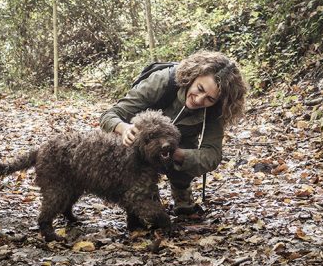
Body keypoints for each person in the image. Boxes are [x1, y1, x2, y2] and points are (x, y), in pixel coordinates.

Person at [100, 50, 247, 217]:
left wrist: (176, 154)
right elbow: (109, 116)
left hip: (178, 147)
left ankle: (182, 191)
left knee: (190, 157)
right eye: (199, 89)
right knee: (142, 190)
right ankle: (146, 194)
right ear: (193, 76)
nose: (199, 100)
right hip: (141, 143)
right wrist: (123, 128)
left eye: (209, 99)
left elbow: (212, 155)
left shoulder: (216, 109)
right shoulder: (162, 81)